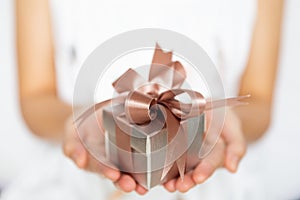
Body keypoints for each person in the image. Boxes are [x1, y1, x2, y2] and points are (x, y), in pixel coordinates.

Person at [15, 0, 284, 199]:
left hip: (215, 183)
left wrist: (228, 122)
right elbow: (36, 99)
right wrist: (78, 121)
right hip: (71, 183)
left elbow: (259, 103)